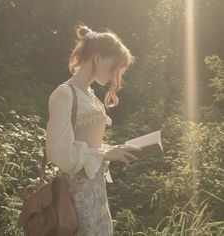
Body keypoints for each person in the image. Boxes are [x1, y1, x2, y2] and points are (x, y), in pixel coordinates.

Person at [45, 23, 142, 236]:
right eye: (114, 66)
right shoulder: (65, 93)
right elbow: (57, 151)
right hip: (75, 195)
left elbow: (90, 145)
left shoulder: (89, 96)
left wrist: (114, 149)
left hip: (95, 191)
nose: (115, 75)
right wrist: (106, 153)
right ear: (97, 57)